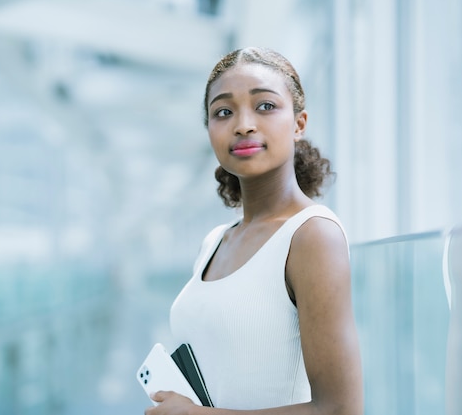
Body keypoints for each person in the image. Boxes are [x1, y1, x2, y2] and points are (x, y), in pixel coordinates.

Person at [145, 47, 363, 415]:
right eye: (223, 112)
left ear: (298, 124)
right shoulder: (214, 241)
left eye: (265, 106)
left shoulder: (312, 236)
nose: (243, 124)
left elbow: (340, 409)